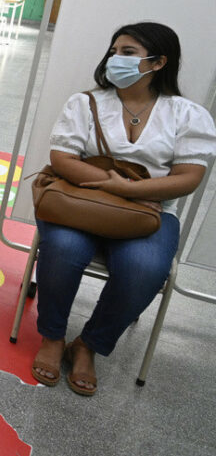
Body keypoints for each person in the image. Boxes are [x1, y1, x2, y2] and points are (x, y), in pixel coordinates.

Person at [31, 22, 216, 396]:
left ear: (159, 62)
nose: (117, 59)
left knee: (144, 269)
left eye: (129, 53)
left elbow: (188, 177)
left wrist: (131, 191)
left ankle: (88, 345)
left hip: (150, 213)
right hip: (80, 203)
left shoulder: (186, 114)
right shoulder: (86, 102)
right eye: (115, 51)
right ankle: (52, 337)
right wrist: (125, 190)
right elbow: (63, 159)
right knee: (63, 249)